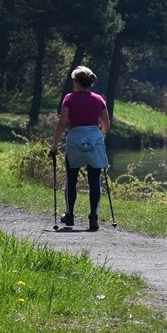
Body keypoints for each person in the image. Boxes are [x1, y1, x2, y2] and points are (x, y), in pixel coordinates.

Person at [49, 66, 111, 232]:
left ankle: (69, 215)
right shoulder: (99, 99)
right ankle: (93, 218)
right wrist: (101, 138)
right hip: (94, 138)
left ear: (76, 82)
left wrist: (54, 145)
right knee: (95, 181)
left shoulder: (69, 98)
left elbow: (62, 123)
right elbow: (106, 124)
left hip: (75, 139)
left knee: (71, 179)